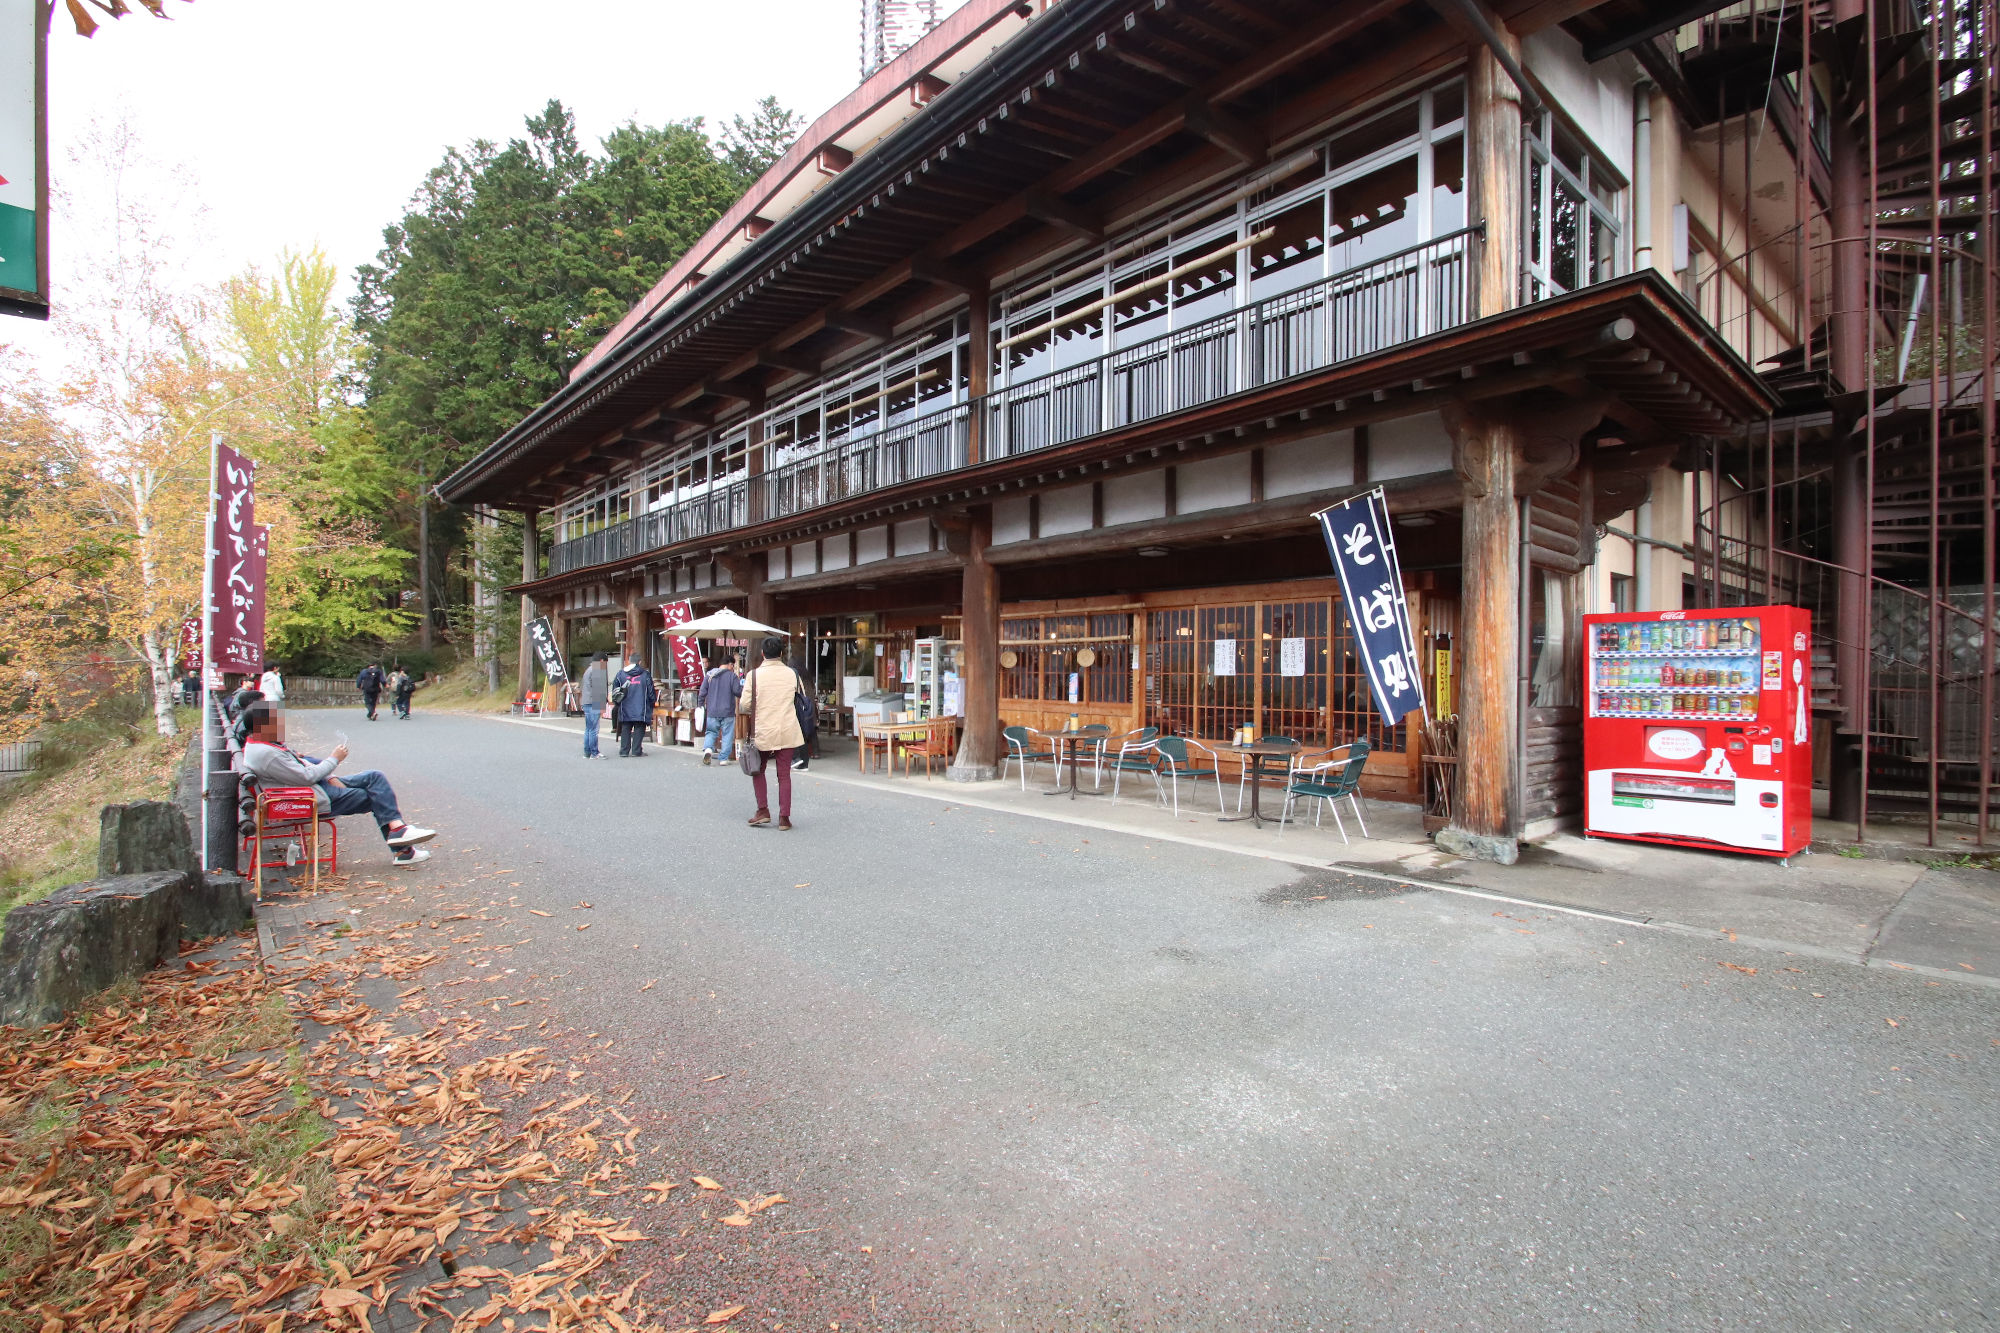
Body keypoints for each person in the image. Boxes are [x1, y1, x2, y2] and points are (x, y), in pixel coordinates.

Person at [238, 700, 437, 867]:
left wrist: (328, 775)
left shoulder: (263, 745)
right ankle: (403, 849)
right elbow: (305, 776)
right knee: (373, 796)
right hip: (307, 797)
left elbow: (302, 763)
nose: (281, 725)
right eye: (276, 721)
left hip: (314, 786)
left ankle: (398, 832)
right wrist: (334, 759)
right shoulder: (267, 754)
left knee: (374, 777)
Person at [740, 635, 805, 830]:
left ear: (762, 654)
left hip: (763, 730)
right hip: (787, 729)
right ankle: (784, 818)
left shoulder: (754, 676)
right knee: (784, 775)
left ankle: (763, 811)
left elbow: (744, 705)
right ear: (782, 653)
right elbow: (800, 695)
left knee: (758, 770)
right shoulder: (792, 674)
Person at [697, 650, 742, 767]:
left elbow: (702, 692)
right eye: (733, 665)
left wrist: (700, 704)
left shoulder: (709, 675)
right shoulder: (732, 676)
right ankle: (723, 758)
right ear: (730, 664)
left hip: (712, 710)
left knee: (711, 732)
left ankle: (708, 750)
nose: (733, 668)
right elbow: (738, 691)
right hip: (728, 711)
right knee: (727, 734)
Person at [612, 654, 657, 757]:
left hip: (625, 706)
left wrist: (617, 703)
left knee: (626, 728)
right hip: (641, 706)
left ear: (629, 661)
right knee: (639, 727)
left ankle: (624, 751)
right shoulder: (645, 674)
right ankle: (636, 751)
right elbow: (651, 692)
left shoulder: (621, 674)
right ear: (639, 662)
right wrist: (652, 703)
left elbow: (615, 691)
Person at [578, 652, 610, 760]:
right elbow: (599, 690)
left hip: (586, 701)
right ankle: (594, 752)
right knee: (594, 730)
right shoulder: (598, 670)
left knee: (588, 729)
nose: (605, 665)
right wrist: (602, 706)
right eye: (605, 662)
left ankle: (587, 752)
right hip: (594, 702)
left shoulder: (588, 670)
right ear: (601, 661)